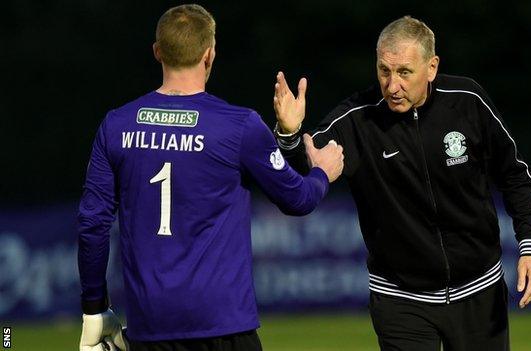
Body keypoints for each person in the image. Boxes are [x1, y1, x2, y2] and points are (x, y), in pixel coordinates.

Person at [77, 4, 344, 351]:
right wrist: (323, 170)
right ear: (209, 53)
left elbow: (91, 223)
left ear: (158, 52)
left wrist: (94, 309)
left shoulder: (117, 124)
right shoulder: (239, 125)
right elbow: (299, 199)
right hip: (223, 327)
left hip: (150, 328)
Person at [273, 16, 531, 351]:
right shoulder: (358, 119)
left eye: (404, 72)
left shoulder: (468, 101)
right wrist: (288, 134)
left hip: (479, 291)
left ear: (431, 68)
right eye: (384, 71)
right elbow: (307, 164)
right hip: (400, 300)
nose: (392, 85)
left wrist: (530, 245)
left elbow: (514, 173)